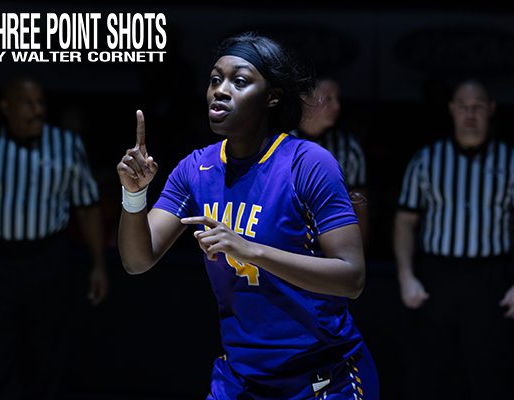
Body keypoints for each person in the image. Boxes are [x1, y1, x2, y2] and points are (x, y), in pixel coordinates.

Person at [117, 32, 379, 400]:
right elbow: (137, 260)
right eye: (214, 80)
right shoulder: (195, 168)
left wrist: (250, 250)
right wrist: (134, 195)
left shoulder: (308, 163)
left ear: (272, 96)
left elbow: (352, 277)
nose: (220, 90)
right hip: (242, 378)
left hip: (321, 375)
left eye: (238, 81)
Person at [0, 77, 108, 400]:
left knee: (48, 347)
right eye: (28, 103)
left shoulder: (66, 145)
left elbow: (87, 208)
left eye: (41, 103)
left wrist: (98, 264)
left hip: (48, 256)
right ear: (6, 107)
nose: (37, 111)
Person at [394, 79, 514, 399]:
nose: (470, 114)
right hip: (437, 275)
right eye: (463, 106)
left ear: (491, 109)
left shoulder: (511, 161)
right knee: (427, 371)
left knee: (492, 373)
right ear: (451, 109)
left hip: (492, 277)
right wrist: (406, 276)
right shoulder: (427, 159)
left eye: (477, 106)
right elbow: (405, 222)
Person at [295, 78, 369, 246]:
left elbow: (360, 209)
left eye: (337, 99)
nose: (336, 107)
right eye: (328, 98)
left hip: (331, 246)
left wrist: (358, 256)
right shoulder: (281, 141)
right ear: (305, 100)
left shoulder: (348, 148)